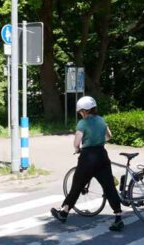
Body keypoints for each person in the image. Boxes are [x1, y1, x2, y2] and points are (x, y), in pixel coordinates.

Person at [50, 95, 124, 231]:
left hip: (88, 157)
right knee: (109, 187)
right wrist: (99, 140)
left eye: (80, 112)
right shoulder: (101, 120)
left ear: (84, 110)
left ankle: (64, 212)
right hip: (102, 155)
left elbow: (77, 142)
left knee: (77, 185)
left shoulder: (82, 123)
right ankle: (118, 217)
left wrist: (77, 148)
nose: (80, 114)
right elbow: (109, 136)